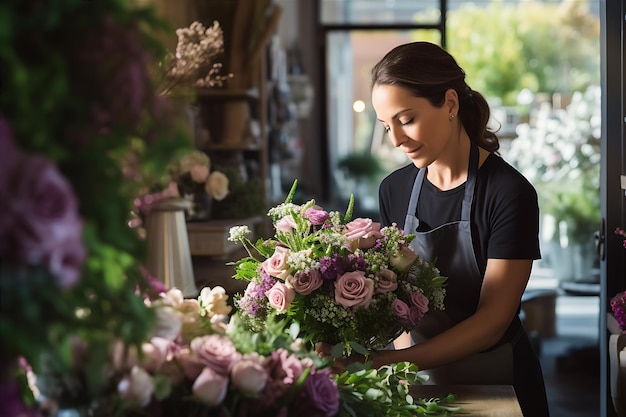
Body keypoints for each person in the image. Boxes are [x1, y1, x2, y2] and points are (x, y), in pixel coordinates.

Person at [328, 41, 550, 417]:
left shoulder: (509, 193)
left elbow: (492, 322)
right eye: (386, 126)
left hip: (497, 379)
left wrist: (388, 362)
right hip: (415, 379)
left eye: (406, 119)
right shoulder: (394, 190)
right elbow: (393, 296)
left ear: (450, 104)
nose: (396, 140)